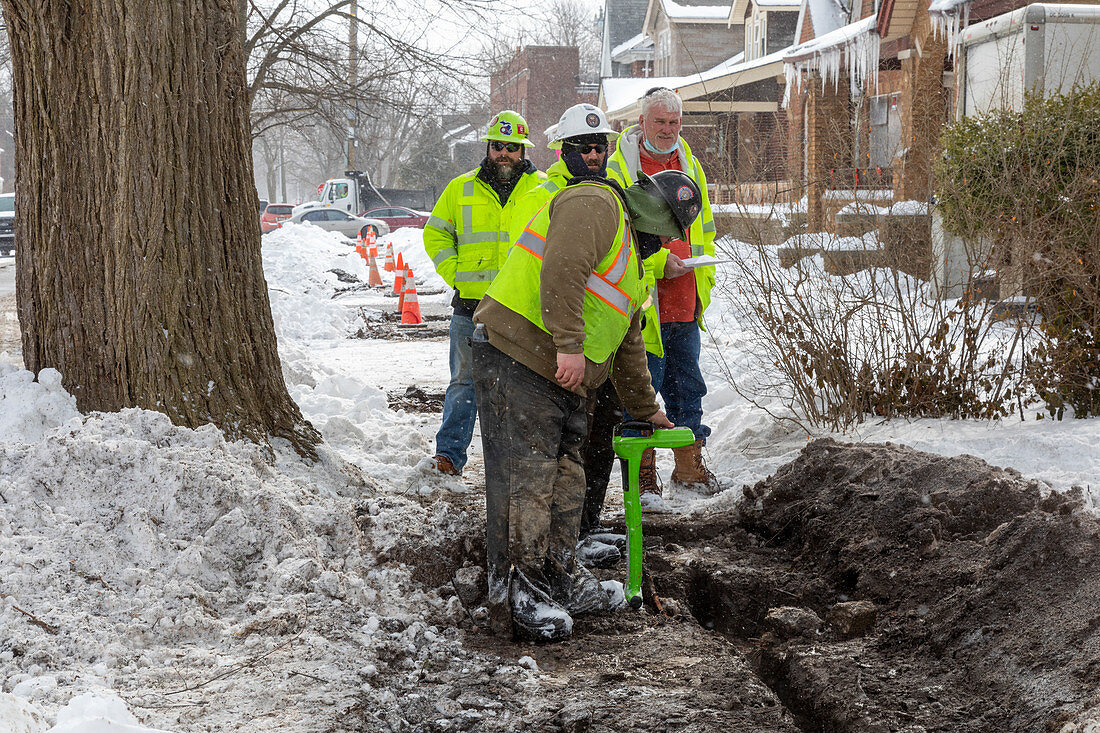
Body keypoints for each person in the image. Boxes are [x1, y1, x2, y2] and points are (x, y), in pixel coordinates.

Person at [472, 168, 703, 642]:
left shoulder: (632, 260)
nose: (663, 241)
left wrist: (645, 408)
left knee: (566, 477)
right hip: (522, 353)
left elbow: (628, 340)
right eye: (664, 228)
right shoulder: (597, 203)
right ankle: (518, 594)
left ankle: (558, 576)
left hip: (560, 371)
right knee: (527, 480)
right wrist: (570, 344)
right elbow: (562, 268)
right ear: (649, 208)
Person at [509, 103, 624, 569]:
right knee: (552, 453)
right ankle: (540, 556)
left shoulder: (610, 192)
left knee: (595, 441)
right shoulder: (545, 192)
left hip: (595, 337)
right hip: (550, 341)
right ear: (563, 149)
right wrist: (566, 344)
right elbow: (551, 272)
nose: (594, 155)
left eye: (602, 147)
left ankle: (582, 530)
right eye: (584, 147)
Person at [606, 87, 720, 495]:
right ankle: (642, 476)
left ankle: (690, 467)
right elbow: (618, 238)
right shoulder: (619, 169)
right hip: (641, 303)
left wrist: (699, 276)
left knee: (689, 387)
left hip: (685, 300)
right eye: (660, 122)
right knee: (641, 393)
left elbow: (703, 227)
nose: (668, 130)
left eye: (674, 123)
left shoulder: (690, 164)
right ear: (641, 123)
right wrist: (657, 264)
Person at [423, 111, 545, 477]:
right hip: (470, 308)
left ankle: (516, 461)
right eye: (497, 146)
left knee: (523, 388)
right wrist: (456, 273)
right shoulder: (460, 187)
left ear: (522, 150)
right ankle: (449, 455)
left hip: (522, 309)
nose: (503, 153)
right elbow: (435, 233)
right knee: (464, 383)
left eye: (511, 147)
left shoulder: (544, 189)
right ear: (488, 147)